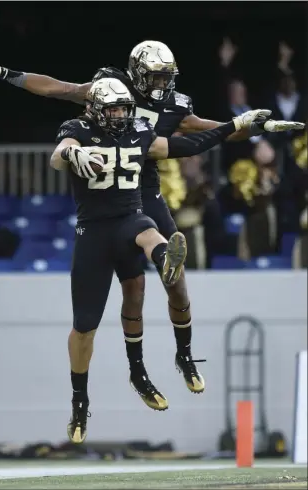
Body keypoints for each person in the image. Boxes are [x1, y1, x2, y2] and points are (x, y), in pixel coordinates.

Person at [0, 42, 304, 401]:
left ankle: (184, 354)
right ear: (137, 73)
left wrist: (258, 127)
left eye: (166, 77)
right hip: (110, 200)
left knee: (177, 276)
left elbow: (209, 132)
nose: (162, 84)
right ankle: (137, 369)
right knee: (134, 288)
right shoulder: (110, 88)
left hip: (146, 191)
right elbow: (58, 89)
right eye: (156, 76)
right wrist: (3, 74)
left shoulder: (174, 105)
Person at [50, 75, 283, 443]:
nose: (120, 115)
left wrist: (235, 127)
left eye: (124, 109)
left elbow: (190, 145)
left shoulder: (139, 133)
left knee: (153, 234)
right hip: (93, 231)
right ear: (95, 108)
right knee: (84, 326)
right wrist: (71, 153)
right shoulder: (77, 128)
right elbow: (58, 154)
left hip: (130, 217)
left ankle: (165, 257)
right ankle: (80, 401)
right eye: (112, 108)